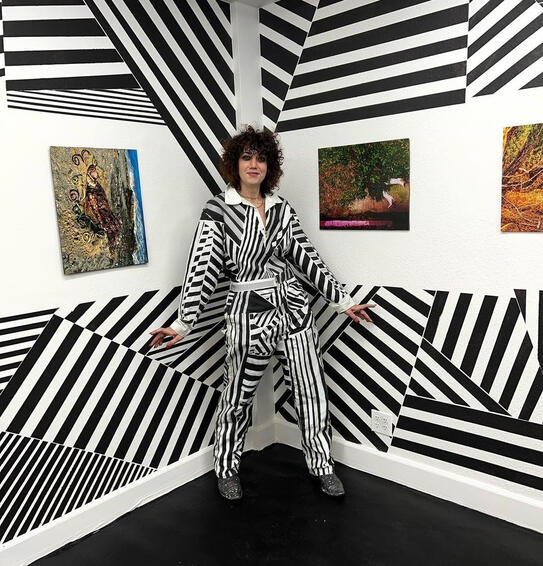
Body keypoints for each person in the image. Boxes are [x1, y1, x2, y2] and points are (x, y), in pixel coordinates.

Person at [149, 126, 374, 500]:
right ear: (234, 164)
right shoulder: (218, 211)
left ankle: (323, 467)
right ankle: (227, 469)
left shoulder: (282, 209)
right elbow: (202, 268)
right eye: (246, 157)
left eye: (261, 158)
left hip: (294, 311)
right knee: (237, 397)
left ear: (270, 165)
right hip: (247, 315)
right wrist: (183, 322)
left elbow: (306, 257)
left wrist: (343, 301)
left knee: (311, 392)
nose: (254, 164)